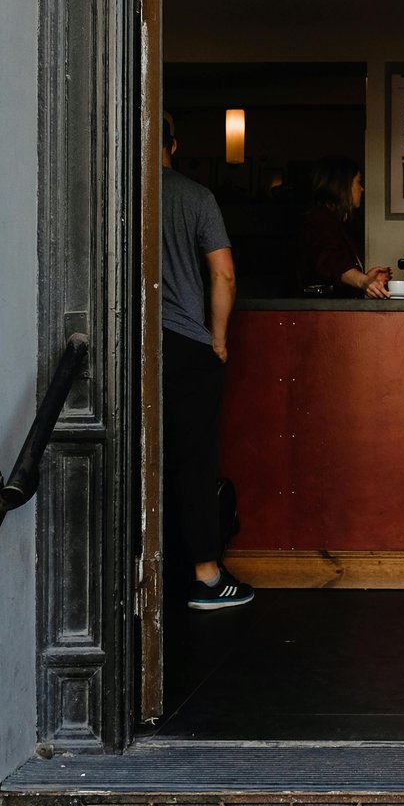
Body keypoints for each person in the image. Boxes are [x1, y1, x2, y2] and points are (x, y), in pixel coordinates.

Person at [161, 111, 254, 610]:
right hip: (184, 345)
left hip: (124, 345)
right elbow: (224, 275)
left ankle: (133, 571)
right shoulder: (196, 197)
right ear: (173, 145)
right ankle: (205, 576)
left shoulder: (112, 192)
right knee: (192, 460)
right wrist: (217, 340)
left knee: (129, 456)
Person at [296, 155, 391, 297]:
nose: (362, 189)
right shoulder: (321, 219)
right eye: (358, 182)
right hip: (318, 313)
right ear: (343, 185)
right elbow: (330, 261)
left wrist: (364, 277)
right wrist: (363, 280)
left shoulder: (338, 222)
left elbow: (335, 269)